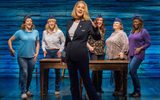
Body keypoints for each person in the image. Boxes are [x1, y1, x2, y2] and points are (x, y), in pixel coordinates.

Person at [65, 1, 101, 100]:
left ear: (85, 10)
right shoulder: (69, 22)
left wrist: (95, 28)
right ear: (75, 8)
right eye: (79, 7)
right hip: (69, 57)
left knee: (87, 82)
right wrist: (64, 55)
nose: (80, 9)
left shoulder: (88, 23)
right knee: (73, 83)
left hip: (81, 56)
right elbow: (67, 41)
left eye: (83, 8)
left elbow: (97, 37)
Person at [8, 15, 40, 99]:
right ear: (24, 23)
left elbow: (37, 43)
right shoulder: (20, 32)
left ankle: (27, 90)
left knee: (29, 74)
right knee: (24, 73)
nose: (29, 22)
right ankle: (23, 92)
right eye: (27, 21)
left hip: (32, 57)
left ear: (32, 23)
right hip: (22, 57)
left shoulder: (36, 32)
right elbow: (10, 40)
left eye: (30, 21)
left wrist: (37, 53)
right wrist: (11, 49)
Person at [42, 16, 65, 95]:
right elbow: (43, 42)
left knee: (57, 71)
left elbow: (63, 42)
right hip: (48, 52)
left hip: (56, 52)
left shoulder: (59, 32)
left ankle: (57, 89)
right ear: (48, 23)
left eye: (53, 22)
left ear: (55, 23)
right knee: (45, 71)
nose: (51, 23)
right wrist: (44, 50)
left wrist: (60, 50)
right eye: (50, 22)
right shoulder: (45, 32)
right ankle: (45, 90)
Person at [128, 15, 151, 97]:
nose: (135, 23)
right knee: (132, 72)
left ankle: (138, 91)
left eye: (137, 22)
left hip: (138, 54)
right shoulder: (132, 31)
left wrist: (140, 48)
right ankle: (135, 91)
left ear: (140, 22)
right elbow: (129, 42)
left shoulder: (144, 31)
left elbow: (148, 43)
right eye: (134, 22)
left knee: (132, 71)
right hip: (130, 54)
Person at [105, 18, 128, 96]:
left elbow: (126, 44)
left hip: (118, 58)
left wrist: (122, 52)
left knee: (120, 75)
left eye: (117, 23)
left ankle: (121, 90)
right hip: (112, 58)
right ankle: (117, 89)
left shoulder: (122, 33)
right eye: (114, 23)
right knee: (116, 75)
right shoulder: (113, 34)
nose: (114, 24)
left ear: (121, 26)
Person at [87, 15, 105, 94]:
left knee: (100, 70)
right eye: (98, 20)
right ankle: (93, 88)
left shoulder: (103, 30)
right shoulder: (91, 29)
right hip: (93, 52)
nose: (99, 21)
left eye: (101, 20)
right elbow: (85, 40)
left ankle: (99, 88)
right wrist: (89, 47)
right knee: (94, 70)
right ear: (95, 21)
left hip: (101, 52)